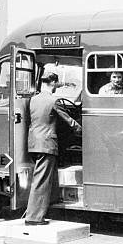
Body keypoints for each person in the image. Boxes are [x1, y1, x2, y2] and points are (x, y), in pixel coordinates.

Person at [25, 72, 82, 225]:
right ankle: (33, 217)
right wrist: (81, 129)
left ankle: (45, 208)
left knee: (43, 178)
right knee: (41, 180)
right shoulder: (54, 101)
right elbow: (69, 120)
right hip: (47, 144)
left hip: (34, 143)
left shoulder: (33, 100)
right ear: (53, 83)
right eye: (57, 84)